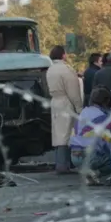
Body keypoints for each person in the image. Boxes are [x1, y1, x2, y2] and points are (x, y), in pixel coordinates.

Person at [69, 86, 111, 186]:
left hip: (74, 157)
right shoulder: (103, 117)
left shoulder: (83, 113)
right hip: (90, 157)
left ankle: (89, 176)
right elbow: (109, 143)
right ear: (107, 101)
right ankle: (97, 173)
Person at [47, 44, 83, 173]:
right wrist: (79, 107)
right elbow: (73, 91)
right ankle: (64, 164)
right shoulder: (66, 70)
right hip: (66, 102)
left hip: (55, 101)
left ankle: (59, 162)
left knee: (58, 133)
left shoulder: (50, 69)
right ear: (63, 55)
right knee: (66, 134)